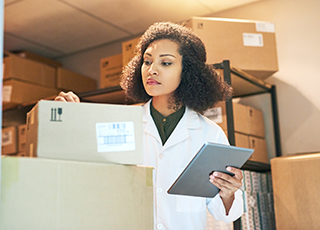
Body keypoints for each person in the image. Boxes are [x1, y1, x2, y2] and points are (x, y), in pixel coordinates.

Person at [55, 22, 243, 230]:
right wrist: (68, 120)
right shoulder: (121, 124)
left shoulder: (209, 134)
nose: (152, 70)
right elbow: (85, 177)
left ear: (188, 72)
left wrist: (229, 192)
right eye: (147, 61)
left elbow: (225, 215)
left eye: (166, 63)